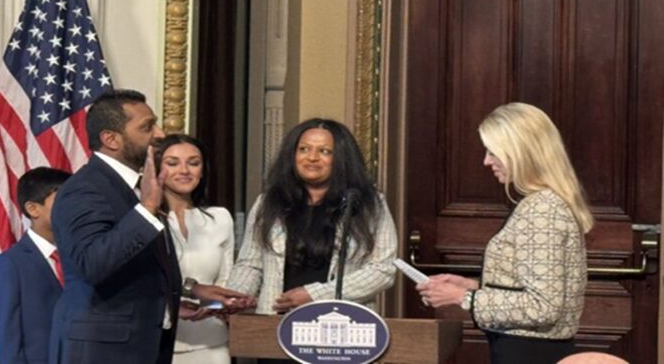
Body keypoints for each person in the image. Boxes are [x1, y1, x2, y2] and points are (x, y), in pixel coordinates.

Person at [48, 89, 253, 364]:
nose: (159, 134)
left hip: (144, 344)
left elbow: (141, 266)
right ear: (111, 139)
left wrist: (188, 292)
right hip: (104, 351)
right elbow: (92, 264)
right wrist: (146, 209)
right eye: (147, 127)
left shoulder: (136, 186)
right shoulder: (86, 189)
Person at [417, 102, 594, 364]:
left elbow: (543, 307)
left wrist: (463, 298)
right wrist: (471, 285)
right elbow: (530, 287)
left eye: (493, 152)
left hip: (530, 353)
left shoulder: (543, 208)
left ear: (521, 151)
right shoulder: (539, 203)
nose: (486, 161)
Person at [228, 118, 397, 316]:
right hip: (275, 320)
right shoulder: (268, 202)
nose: (312, 158)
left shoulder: (369, 205)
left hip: (340, 322)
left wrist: (315, 294)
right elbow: (251, 264)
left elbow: (382, 270)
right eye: (304, 149)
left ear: (342, 159)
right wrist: (233, 298)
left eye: (325, 151)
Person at [152, 135, 234, 364]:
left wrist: (212, 306)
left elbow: (225, 287)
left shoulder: (221, 218)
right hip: (157, 342)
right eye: (173, 163)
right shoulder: (143, 222)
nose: (184, 170)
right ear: (157, 168)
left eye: (193, 162)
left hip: (211, 343)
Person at [0, 167, 71, 364]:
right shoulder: (11, 264)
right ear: (33, 209)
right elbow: (6, 338)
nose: (73, 207)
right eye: (64, 199)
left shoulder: (79, 255)